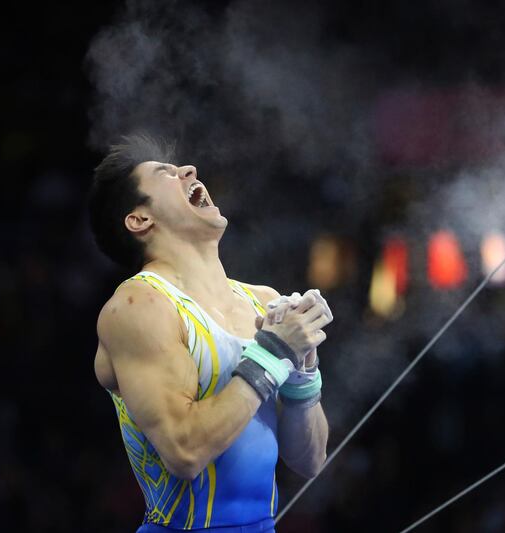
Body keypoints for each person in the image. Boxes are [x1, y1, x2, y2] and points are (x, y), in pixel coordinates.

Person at [88, 134, 331, 533]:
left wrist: (303, 370)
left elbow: (310, 460)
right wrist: (271, 353)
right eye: (166, 173)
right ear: (140, 219)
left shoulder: (262, 301)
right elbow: (184, 451)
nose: (189, 170)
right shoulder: (138, 307)